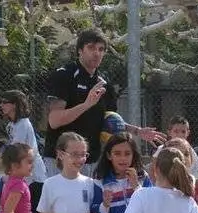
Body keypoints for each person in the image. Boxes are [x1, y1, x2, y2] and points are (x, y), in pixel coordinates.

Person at [44, 29, 164, 177]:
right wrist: (86, 104)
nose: (97, 53)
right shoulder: (64, 75)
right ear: (80, 50)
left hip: (91, 159)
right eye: (91, 48)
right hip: (62, 160)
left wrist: (137, 131)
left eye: (101, 49)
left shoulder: (104, 83)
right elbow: (54, 120)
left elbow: (110, 120)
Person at [0, 90, 47, 213]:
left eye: (4, 102)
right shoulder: (11, 125)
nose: (1, 105)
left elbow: (16, 150)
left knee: (35, 207)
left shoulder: (23, 124)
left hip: (33, 172)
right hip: (22, 170)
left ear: (14, 105)